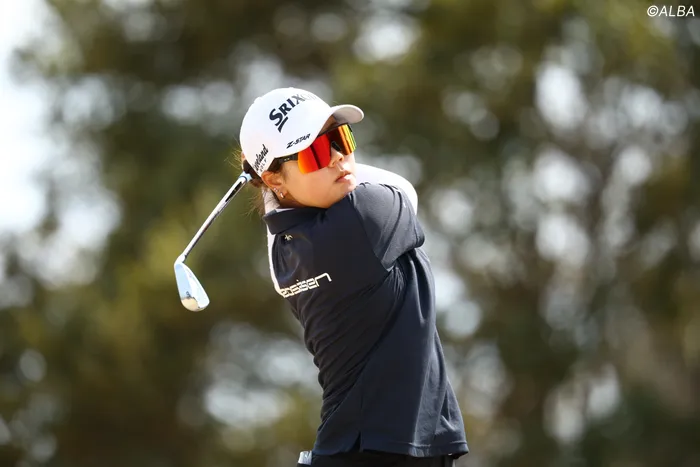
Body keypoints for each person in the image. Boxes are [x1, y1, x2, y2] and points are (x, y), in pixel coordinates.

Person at [238, 87, 469, 466]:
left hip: (359, 447)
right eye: (314, 152)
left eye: (340, 139)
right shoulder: (366, 215)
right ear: (274, 178)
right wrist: (268, 180)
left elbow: (281, 211)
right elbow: (403, 188)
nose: (338, 158)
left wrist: (269, 186)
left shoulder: (284, 253)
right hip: (381, 449)